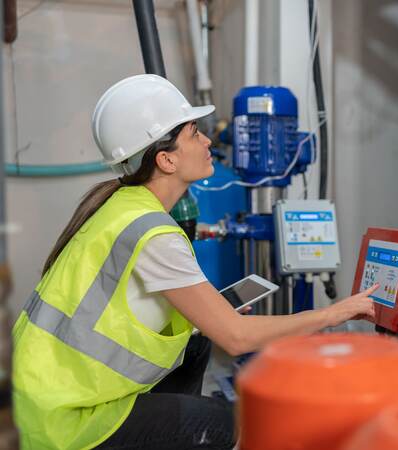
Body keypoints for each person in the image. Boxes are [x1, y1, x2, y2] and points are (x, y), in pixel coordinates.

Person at [12, 74, 377, 450]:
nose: (207, 141)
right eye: (193, 133)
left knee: (197, 342)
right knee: (226, 424)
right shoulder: (155, 234)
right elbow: (236, 338)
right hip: (64, 422)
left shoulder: (119, 204)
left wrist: (215, 311)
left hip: (45, 396)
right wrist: (338, 312)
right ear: (166, 159)